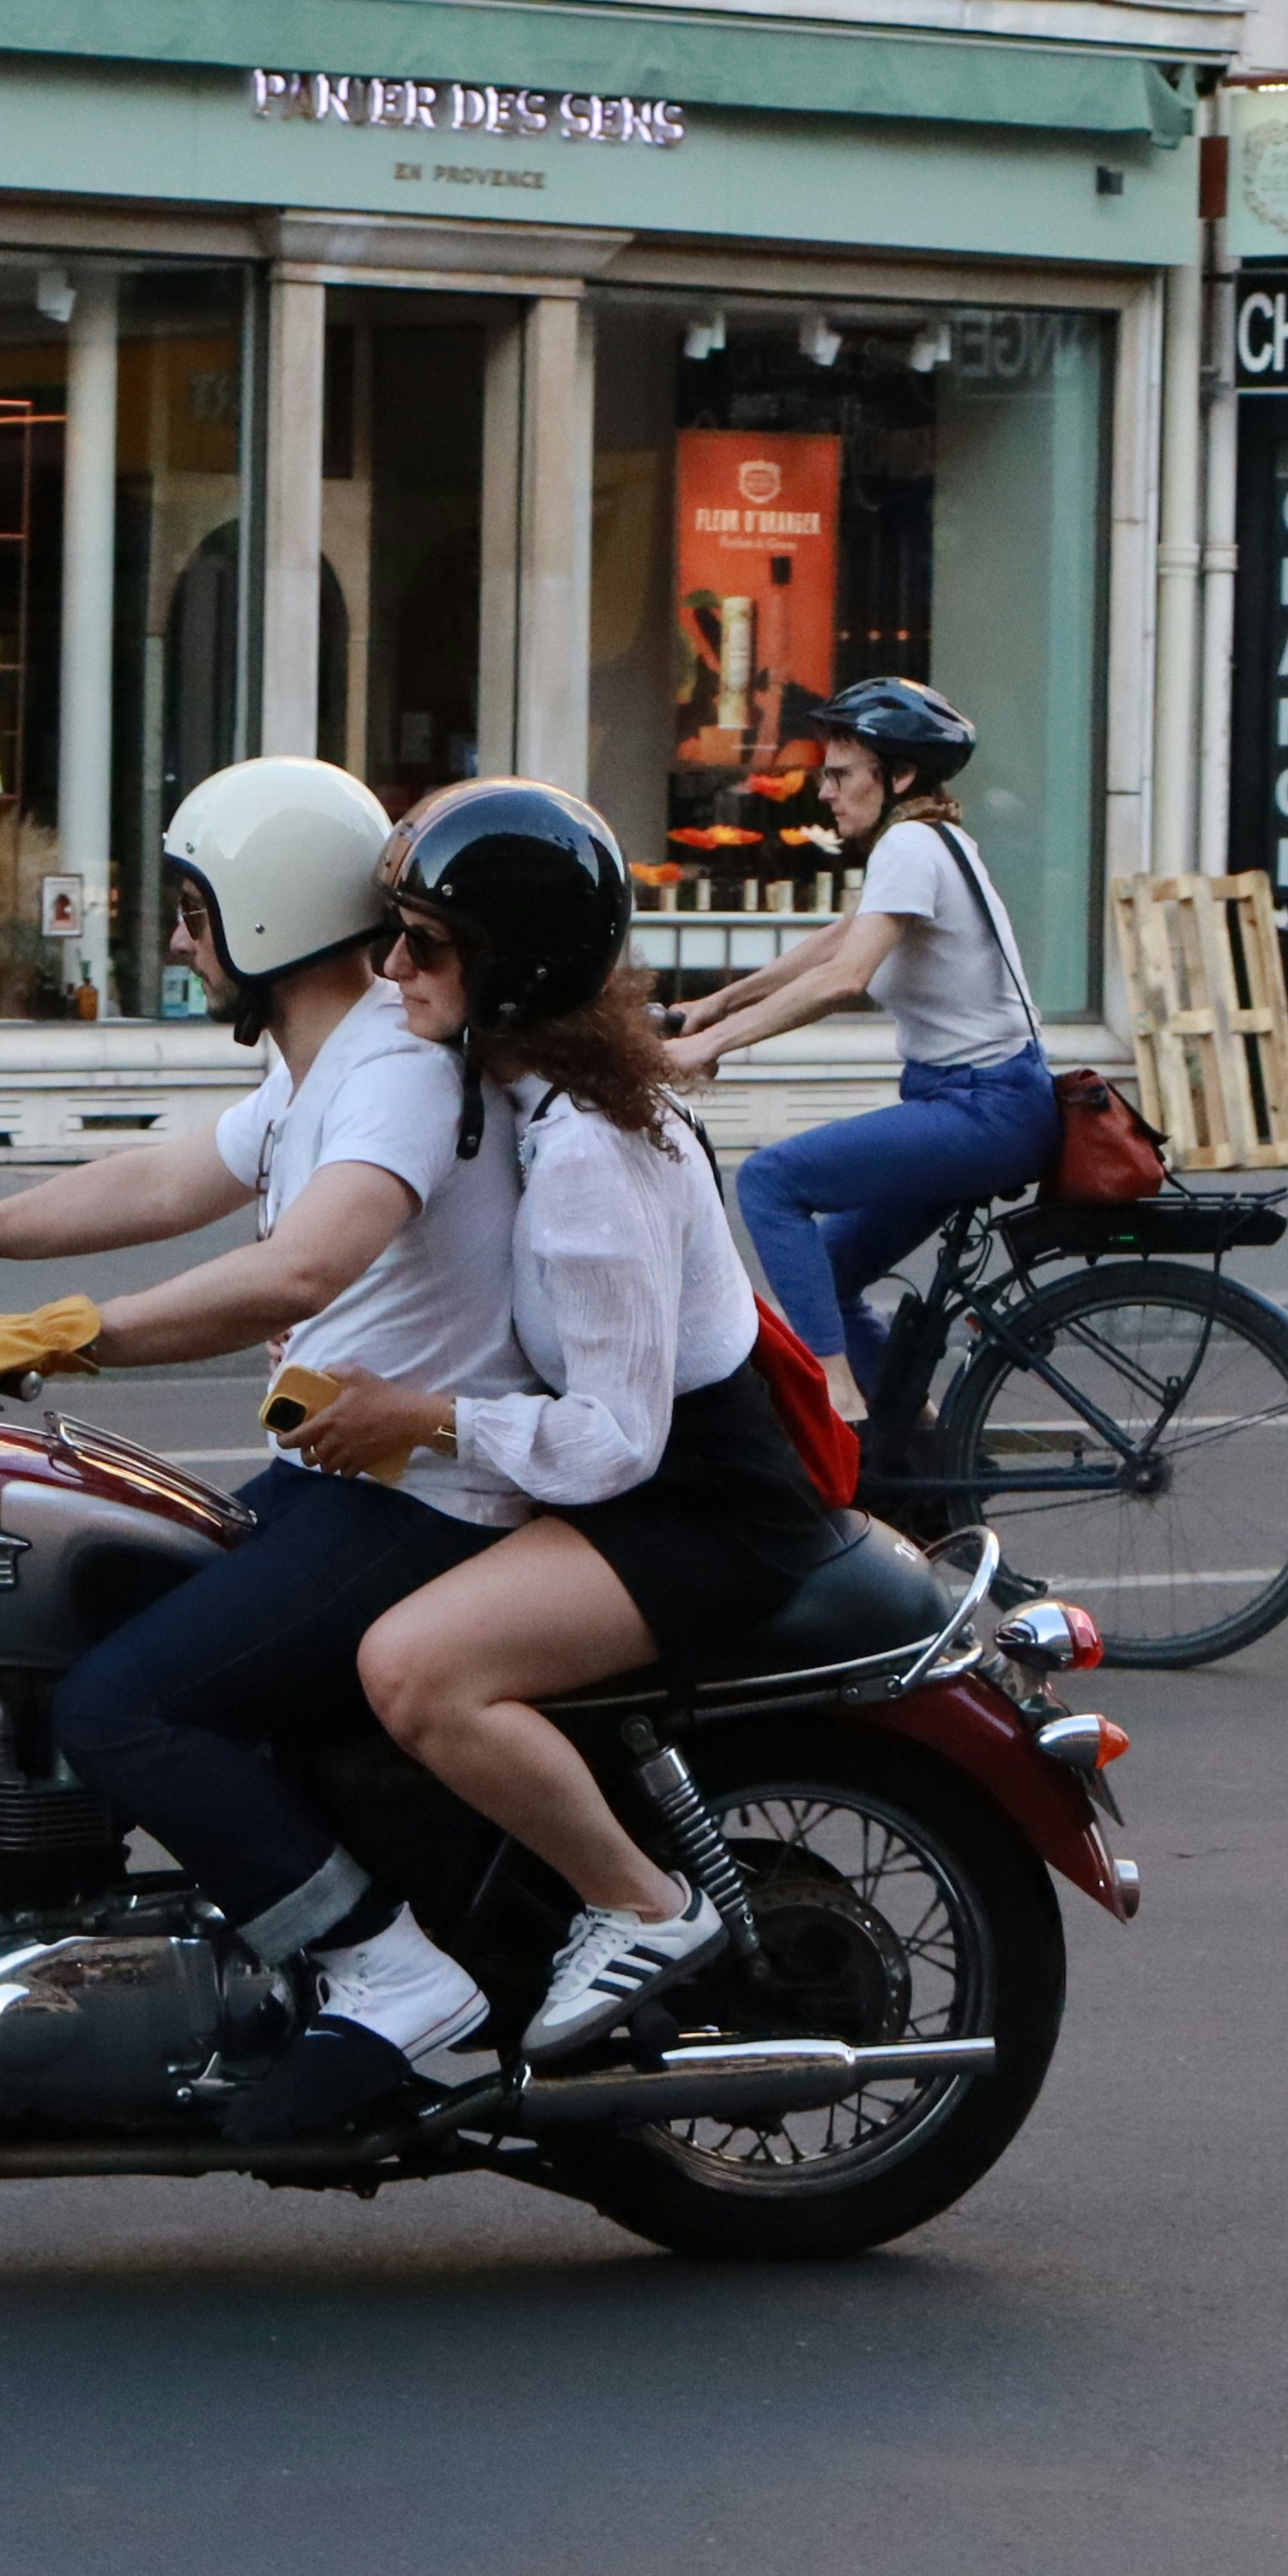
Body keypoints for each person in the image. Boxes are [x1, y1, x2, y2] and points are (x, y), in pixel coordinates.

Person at [0, 754, 541, 2111]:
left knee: (127, 1701)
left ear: (266, 919)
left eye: (193, 908)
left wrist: (67, 1335)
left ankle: (388, 1972)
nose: (178, 937)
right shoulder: (320, 1066)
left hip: (422, 1496)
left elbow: (303, 1266)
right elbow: (167, 1177)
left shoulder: (393, 1070)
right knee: (103, 1609)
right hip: (342, 1475)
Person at [274, 785, 859, 2110]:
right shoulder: (518, 1091)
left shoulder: (588, 1150)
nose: (391, 968)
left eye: (424, 944)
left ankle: (643, 1903)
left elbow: (611, 1443)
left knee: (418, 1668)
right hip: (646, 1479)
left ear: (512, 970)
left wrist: (416, 1419)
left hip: (691, 1506)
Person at [668, 677, 1055, 1406]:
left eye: (842, 774)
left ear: (899, 776)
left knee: (769, 1181)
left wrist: (709, 1044)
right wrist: (716, 1004)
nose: (825, 792)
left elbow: (845, 977)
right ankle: (908, 1442)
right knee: (830, 1268)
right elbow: (838, 939)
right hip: (991, 1103)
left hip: (983, 1110)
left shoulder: (909, 845)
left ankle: (839, 1404)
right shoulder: (934, 841)